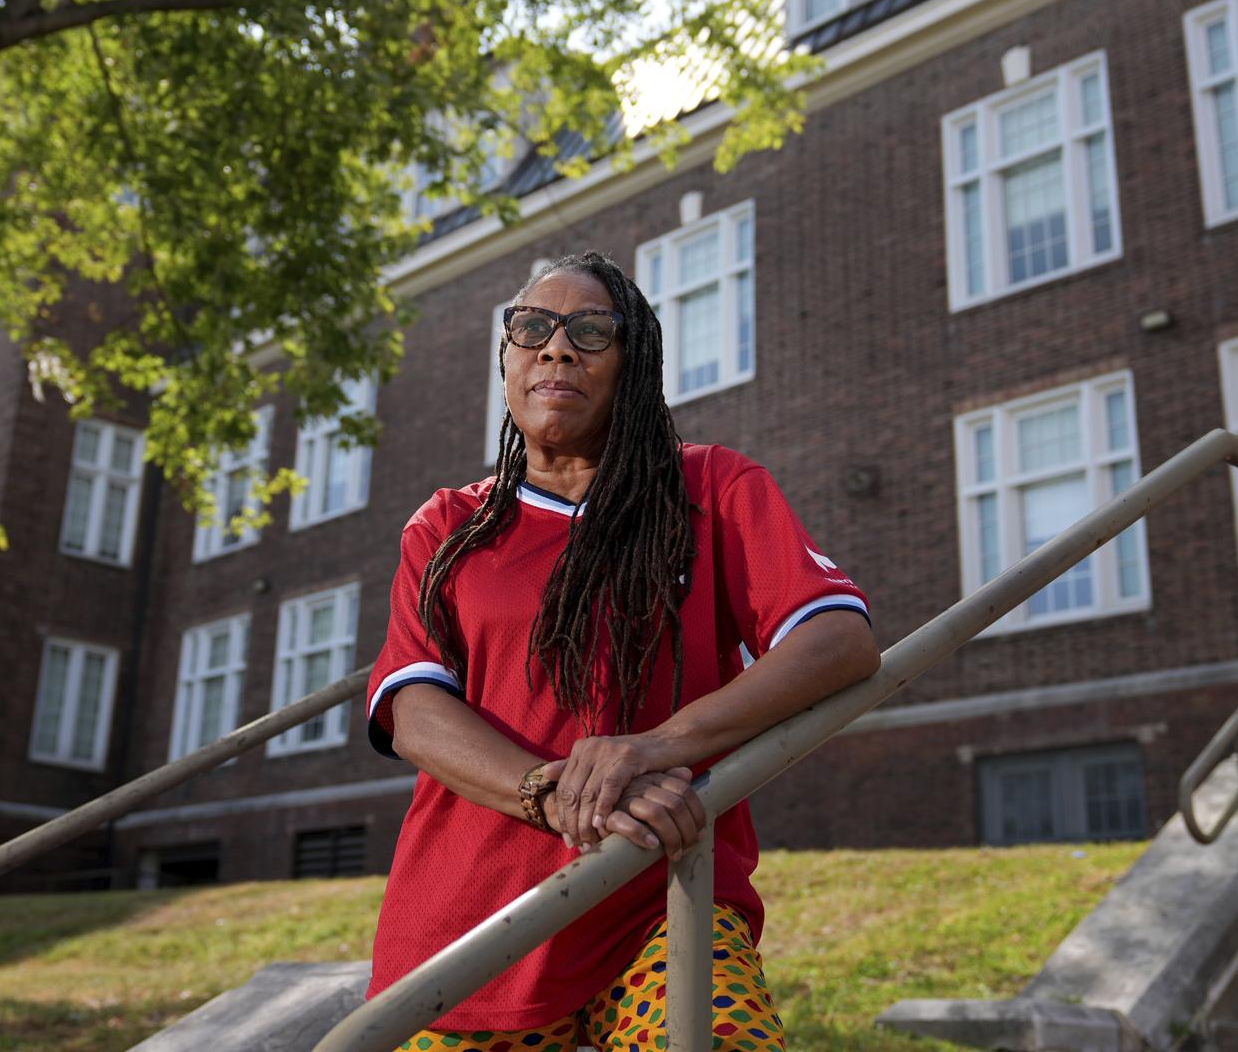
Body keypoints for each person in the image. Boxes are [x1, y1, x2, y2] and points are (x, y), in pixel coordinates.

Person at [364, 250, 882, 1051]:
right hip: (470, 934)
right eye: (531, 327)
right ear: (506, 358)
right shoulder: (448, 528)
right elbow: (413, 710)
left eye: (591, 331)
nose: (556, 348)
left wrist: (651, 752)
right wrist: (554, 791)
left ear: (633, 367)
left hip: (659, 899)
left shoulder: (711, 488)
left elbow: (837, 641)